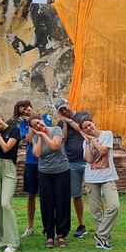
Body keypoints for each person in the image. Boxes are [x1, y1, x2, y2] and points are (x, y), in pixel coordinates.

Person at [29, 114, 71, 249]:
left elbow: (55, 146)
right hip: (45, 173)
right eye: (34, 125)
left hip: (62, 171)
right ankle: (50, 234)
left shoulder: (56, 130)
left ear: (42, 121)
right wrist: (40, 136)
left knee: (62, 202)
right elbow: (37, 154)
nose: (38, 126)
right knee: (47, 203)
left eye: (38, 123)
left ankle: (61, 234)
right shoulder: (36, 137)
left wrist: (44, 134)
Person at [80, 116, 120, 251]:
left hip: (107, 176)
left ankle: (101, 234)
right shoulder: (85, 142)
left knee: (114, 205)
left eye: (89, 125)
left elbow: (103, 151)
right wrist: (87, 143)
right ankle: (102, 239)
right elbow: (89, 160)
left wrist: (92, 139)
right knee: (96, 210)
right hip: (91, 178)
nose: (88, 128)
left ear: (93, 123)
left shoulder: (107, 134)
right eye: (85, 128)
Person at [13, 99, 52, 238]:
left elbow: (47, 132)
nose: (26, 112)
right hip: (31, 161)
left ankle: (49, 225)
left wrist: (35, 119)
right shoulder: (22, 125)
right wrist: (30, 123)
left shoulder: (45, 117)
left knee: (48, 194)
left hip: (46, 159)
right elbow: (29, 139)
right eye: (23, 112)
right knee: (31, 194)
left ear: (31, 107)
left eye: (27, 109)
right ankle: (30, 226)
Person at [55, 97, 91, 238]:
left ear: (69, 104)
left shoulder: (83, 115)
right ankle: (81, 225)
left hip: (88, 160)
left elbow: (84, 131)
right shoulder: (61, 122)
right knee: (76, 194)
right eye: (61, 110)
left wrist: (69, 121)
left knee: (95, 193)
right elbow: (63, 140)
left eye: (65, 107)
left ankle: (101, 225)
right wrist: (64, 124)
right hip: (72, 162)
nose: (64, 111)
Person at [0, 109, 21, 252]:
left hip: (8, 167)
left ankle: (13, 241)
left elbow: (7, 148)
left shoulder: (13, 130)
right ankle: (1, 238)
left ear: (1, 117)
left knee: (5, 203)